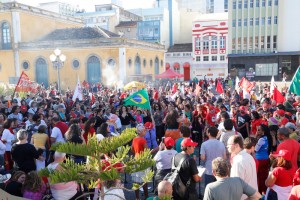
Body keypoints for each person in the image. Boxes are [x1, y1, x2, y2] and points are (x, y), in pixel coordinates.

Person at [227, 135, 258, 200]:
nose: (227, 146)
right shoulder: (249, 156)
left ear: (236, 145)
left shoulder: (238, 161)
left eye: (229, 144)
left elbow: (236, 185)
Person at [131, 124, 149, 200]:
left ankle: (137, 197)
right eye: (144, 130)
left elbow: (132, 150)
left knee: (136, 180)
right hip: (143, 161)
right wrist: (157, 149)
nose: (146, 131)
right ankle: (146, 197)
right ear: (141, 132)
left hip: (135, 160)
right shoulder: (143, 140)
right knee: (144, 180)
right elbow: (147, 151)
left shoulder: (134, 139)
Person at [255, 124, 272, 194]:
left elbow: (256, 149)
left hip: (260, 160)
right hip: (266, 159)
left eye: (259, 130)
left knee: (259, 177)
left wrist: (256, 137)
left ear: (262, 131)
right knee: (265, 175)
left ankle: (260, 191)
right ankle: (265, 190)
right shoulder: (268, 137)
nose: (257, 131)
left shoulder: (261, 139)